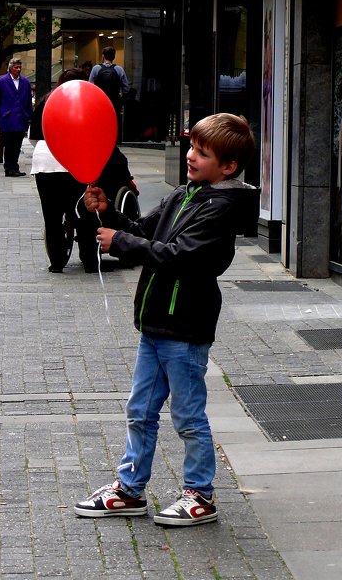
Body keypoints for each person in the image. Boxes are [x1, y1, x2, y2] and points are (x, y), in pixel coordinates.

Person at [74, 112, 257, 527]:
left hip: (186, 328)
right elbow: (144, 229)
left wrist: (121, 241)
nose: (191, 156)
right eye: (191, 147)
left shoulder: (222, 207)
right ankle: (130, 488)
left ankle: (200, 494)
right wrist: (109, 216)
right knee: (140, 409)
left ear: (227, 167)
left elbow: (181, 256)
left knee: (188, 416)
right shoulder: (185, 194)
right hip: (155, 322)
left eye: (202, 152)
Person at [29, 68, 104, 273]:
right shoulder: (87, 101)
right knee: (82, 212)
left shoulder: (46, 101)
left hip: (45, 162)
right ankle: (90, 260)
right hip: (76, 161)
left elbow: (33, 137)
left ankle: (57, 262)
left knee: (51, 216)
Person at [0, 58, 33, 178]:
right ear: (10, 68)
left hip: (21, 117)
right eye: (16, 67)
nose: (18, 70)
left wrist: (30, 116)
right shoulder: (2, 81)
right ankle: (9, 167)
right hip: (7, 117)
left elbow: (28, 100)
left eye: (19, 67)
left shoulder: (25, 82)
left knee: (17, 144)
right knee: (8, 143)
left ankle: (14, 165)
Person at [89, 46, 130, 142]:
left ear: (103, 56)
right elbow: (126, 89)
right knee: (113, 122)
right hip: (114, 102)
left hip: (99, 102)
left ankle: (100, 139)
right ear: (114, 57)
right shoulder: (119, 69)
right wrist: (121, 101)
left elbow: (90, 86)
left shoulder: (96, 68)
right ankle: (113, 141)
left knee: (100, 121)